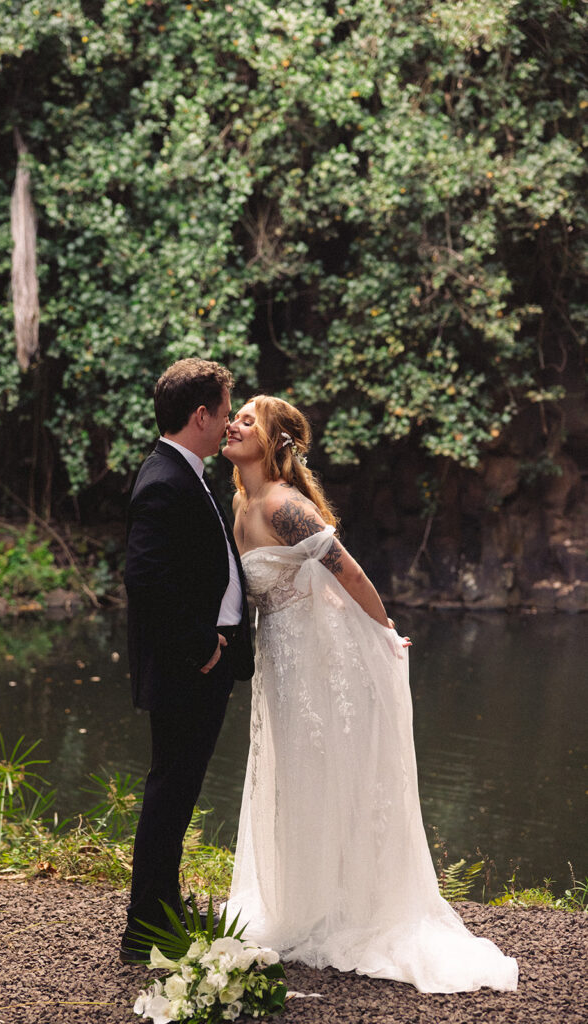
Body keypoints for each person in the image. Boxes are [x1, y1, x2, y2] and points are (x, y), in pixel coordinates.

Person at [222, 395, 518, 994]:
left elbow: (347, 571)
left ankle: (352, 908)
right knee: (295, 775)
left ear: (273, 440)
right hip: (280, 659)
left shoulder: (282, 505)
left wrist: (383, 632)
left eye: (247, 419)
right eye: (235, 416)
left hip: (318, 660)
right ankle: (305, 899)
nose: (233, 423)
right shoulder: (241, 502)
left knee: (327, 769)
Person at [120, 358, 254, 963]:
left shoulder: (184, 472)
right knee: (170, 791)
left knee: (177, 792)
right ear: (201, 415)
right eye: (224, 412)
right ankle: (145, 929)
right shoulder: (164, 479)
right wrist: (202, 645)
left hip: (204, 662)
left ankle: (162, 911)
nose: (228, 424)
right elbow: (145, 578)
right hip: (188, 665)